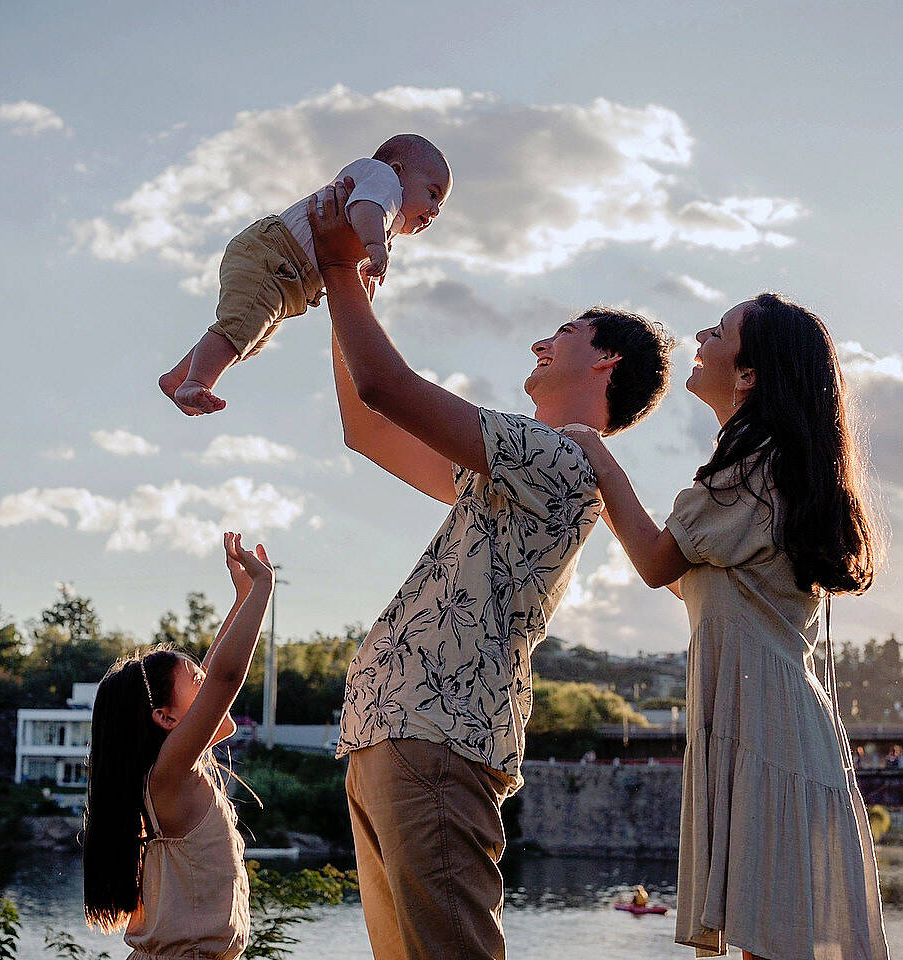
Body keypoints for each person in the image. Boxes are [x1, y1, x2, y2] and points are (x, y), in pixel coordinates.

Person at [305, 178, 676, 960]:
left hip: (436, 737)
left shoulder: (563, 460)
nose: (541, 344)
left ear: (606, 358)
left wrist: (340, 272)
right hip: (391, 732)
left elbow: (386, 387)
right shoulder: (508, 468)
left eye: (564, 333)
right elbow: (368, 426)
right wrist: (348, 290)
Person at [561, 294, 889, 960]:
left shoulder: (753, 473)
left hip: (765, 731)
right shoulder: (773, 471)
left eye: (719, 332)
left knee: (767, 945)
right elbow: (696, 582)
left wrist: (599, 457)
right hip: (778, 729)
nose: (701, 338)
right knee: (768, 946)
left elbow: (658, 562)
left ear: (748, 376)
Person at [81, 532, 274, 960]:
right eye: (197, 686)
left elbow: (212, 677)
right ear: (166, 719)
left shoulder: (168, 772)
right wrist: (263, 588)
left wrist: (241, 598)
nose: (207, 690)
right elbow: (223, 677)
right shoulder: (169, 776)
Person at [159, 134, 451, 415]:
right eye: (433, 193)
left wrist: (367, 268)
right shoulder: (382, 179)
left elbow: (350, 252)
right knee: (242, 327)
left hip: (289, 278)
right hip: (273, 255)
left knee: (248, 336)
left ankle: (179, 377)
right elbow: (365, 209)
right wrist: (376, 246)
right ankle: (197, 381)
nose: (435, 210)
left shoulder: (384, 220)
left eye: (441, 204)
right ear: (398, 170)